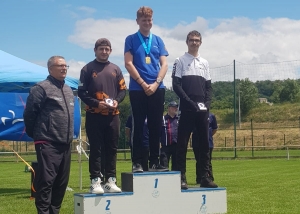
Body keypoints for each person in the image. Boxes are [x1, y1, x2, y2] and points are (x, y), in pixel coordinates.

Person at [23, 56, 74, 214]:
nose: (64, 68)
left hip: (65, 144)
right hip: (47, 142)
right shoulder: (41, 88)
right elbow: (30, 114)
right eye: (60, 66)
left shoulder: (68, 89)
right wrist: (38, 134)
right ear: (50, 68)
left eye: (66, 66)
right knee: (46, 183)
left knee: (61, 184)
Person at [78, 38, 126, 193]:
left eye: (107, 49)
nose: (104, 52)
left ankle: (110, 180)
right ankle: (95, 181)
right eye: (101, 49)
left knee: (111, 148)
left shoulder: (116, 69)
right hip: (94, 115)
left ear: (110, 51)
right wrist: (96, 103)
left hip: (113, 116)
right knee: (96, 149)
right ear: (95, 50)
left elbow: (123, 90)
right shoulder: (87, 69)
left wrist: (117, 101)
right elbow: (81, 92)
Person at [124, 6, 169, 172]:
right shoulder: (131, 39)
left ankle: (155, 162)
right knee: (138, 126)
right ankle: (137, 162)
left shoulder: (158, 40)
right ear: (137, 21)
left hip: (157, 88)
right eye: (144, 20)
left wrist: (156, 83)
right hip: (138, 89)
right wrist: (143, 84)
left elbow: (164, 64)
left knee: (155, 126)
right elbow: (128, 63)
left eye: (149, 20)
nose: (147, 22)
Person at [172, 30, 218, 189]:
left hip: (202, 111)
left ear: (201, 42)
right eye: (191, 40)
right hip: (186, 109)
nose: (194, 42)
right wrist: (190, 103)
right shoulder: (180, 61)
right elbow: (176, 86)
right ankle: (181, 177)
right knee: (182, 144)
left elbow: (209, 88)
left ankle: (204, 176)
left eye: (197, 40)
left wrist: (206, 105)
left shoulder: (205, 62)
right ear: (187, 42)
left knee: (204, 144)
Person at [192, 112, 218, 183]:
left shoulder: (211, 115)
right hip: (196, 143)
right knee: (198, 161)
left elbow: (214, 129)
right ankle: (199, 178)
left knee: (208, 161)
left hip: (208, 143)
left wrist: (207, 136)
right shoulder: (194, 115)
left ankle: (209, 177)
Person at [160, 101, 179, 170]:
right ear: (169, 108)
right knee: (164, 165)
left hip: (176, 145)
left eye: (176, 107)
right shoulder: (163, 119)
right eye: (173, 107)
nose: (175, 109)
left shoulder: (178, 119)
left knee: (176, 166)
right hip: (166, 146)